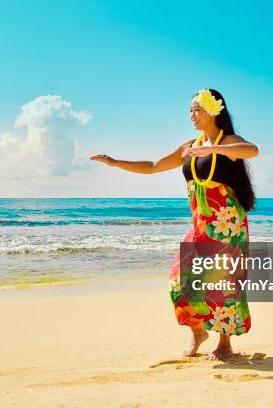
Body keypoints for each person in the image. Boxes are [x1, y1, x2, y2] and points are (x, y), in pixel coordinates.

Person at [90, 89, 259, 361]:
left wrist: (213, 148)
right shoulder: (188, 146)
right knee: (178, 281)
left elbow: (252, 150)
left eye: (197, 110)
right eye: (191, 111)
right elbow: (154, 165)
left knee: (224, 283)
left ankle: (225, 344)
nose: (192, 115)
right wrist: (115, 163)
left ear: (213, 111)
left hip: (227, 223)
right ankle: (198, 333)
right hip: (201, 223)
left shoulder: (227, 141)